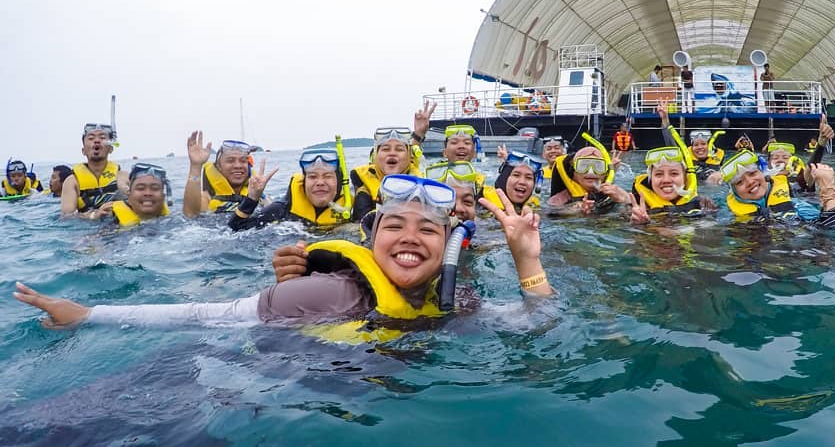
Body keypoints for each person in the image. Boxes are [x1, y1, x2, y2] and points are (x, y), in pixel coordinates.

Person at [15, 177, 553, 336]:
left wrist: (528, 262)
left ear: (449, 244)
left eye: (427, 231)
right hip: (240, 383)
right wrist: (90, 315)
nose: (410, 237)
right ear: (371, 240)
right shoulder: (327, 291)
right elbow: (206, 316)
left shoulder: (454, 298)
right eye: (394, 226)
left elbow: (539, 327)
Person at [228, 150, 351, 231]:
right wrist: (252, 199)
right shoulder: (282, 210)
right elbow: (236, 228)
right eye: (312, 177)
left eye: (327, 176)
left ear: (339, 183)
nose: (319, 182)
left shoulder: (353, 210)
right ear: (304, 182)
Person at [717, 149, 835, 228]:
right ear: (734, 191)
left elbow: (830, 230)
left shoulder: (795, 206)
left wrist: (828, 189)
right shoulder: (727, 216)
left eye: (752, 173)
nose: (750, 182)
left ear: (763, 173)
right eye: (740, 182)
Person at [624, 146, 717, 224]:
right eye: (659, 174)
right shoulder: (634, 209)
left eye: (674, 174)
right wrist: (642, 226)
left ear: (685, 178)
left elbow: (713, 241)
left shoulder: (703, 205)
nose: (666, 180)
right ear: (650, 179)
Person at [183, 133, 265, 216]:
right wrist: (195, 166)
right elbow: (190, 213)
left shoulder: (258, 195)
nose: (238, 165)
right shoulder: (206, 198)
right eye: (230, 160)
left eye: (243, 161)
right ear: (218, 167)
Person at [350, 128, 422, 222]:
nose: (392, 153)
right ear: (376, 156)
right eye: (385, 149)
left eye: (399, 149)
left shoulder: (420, 187)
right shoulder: (363, 189)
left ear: (409, 157)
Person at [61, 123, 129, 217]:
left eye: (102, 138)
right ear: (83, 151)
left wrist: (125, 190)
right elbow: (66, 217)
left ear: (110, 149)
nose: (97, 141)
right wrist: (93, 215)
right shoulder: (72, 182)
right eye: (91, 138)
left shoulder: (123, 176)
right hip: (88, 229)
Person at [546, 146, 625, 216]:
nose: (591, 172)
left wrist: (625, 201)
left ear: (605, 173)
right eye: (583, 166)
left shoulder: (616, 194)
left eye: (598, 166)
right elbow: (546, 215)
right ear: (573, 172)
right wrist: (571, 211)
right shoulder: (558, 200)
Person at [657, 106, 724, 181]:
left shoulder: (718, 158)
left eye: (703, 144)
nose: (699, 147)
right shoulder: (685, 158)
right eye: (696, 145)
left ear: (710, 146)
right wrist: (664, 119)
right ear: (691, 148)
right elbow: (670, 142)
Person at [98, 163, 171, 225]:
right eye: (140, 188)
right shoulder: (111, 222)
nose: (148, 193)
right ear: (129, 196)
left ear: (163, 197)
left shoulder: (175, 222)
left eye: (155, 188)